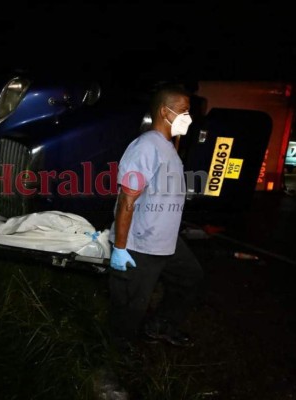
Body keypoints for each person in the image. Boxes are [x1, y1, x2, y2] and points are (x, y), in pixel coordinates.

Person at [107, 84, 204, 349]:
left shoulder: (166, 146)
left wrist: (176, 139)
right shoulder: (145, 147)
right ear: (165, 111)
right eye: (184, 111)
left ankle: (160, 325)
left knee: (190, 277)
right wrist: (120, 248)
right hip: (140, 244)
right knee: (130, 306)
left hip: (166, 241)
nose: (189, 117)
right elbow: (127, 200)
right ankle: (116, 356)